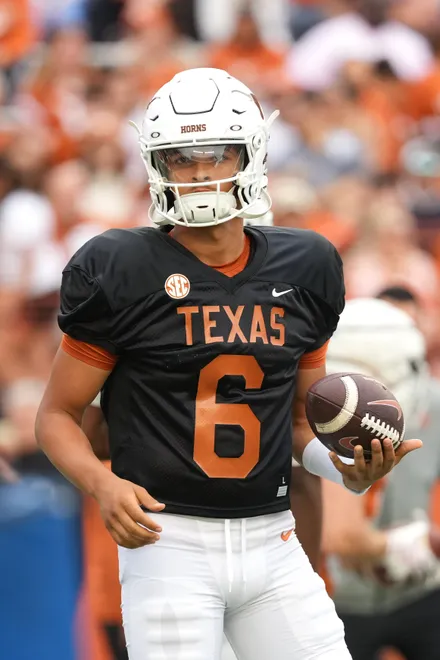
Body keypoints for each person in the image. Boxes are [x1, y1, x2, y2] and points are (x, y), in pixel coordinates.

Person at [35, 67, 421, 660]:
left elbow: (297, 423)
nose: (198, 171)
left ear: (251, 152)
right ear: (155, 164)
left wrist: (342, 466)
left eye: (214, 153)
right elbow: (57, 414)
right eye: (180, 157)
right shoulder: (120, 267)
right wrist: (101, 483)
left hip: (274, 540)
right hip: (169, 545)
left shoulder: (305, 265)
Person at [322, 297, 440, 660]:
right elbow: (340, 536)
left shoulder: (432, 403)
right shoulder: (325, 412)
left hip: (421, 591)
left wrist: (427, 544)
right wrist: (403, 545)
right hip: (335, 600)